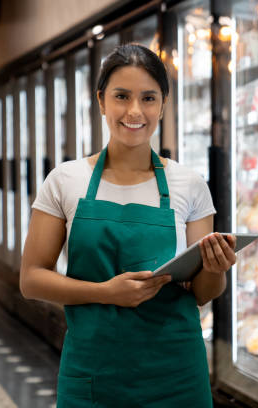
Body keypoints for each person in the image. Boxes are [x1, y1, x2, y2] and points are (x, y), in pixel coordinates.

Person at [20, 43, 237, 407]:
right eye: (122, 96)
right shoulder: (65, 180)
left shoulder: (190, 184)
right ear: (102, 101)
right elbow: (31, 279)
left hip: (176, 375)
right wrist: (107, 293)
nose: (135, 111)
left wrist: (216, 269)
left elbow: (202, 292)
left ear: (163, 105)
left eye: (148, 98)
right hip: (92, 372)